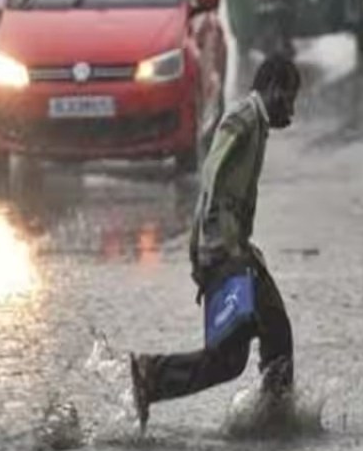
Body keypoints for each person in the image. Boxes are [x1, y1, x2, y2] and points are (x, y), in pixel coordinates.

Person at [128, 56, 301, 432]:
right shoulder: (242, 118)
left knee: (252, 344)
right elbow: (212, 177)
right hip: (227, 255)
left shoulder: (257, 124)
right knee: (244, 349)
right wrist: (207, 250)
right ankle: (153, 375)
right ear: (272, 87)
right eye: (289, 98)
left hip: (236, 251)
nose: (291, 109)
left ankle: (273, 410)